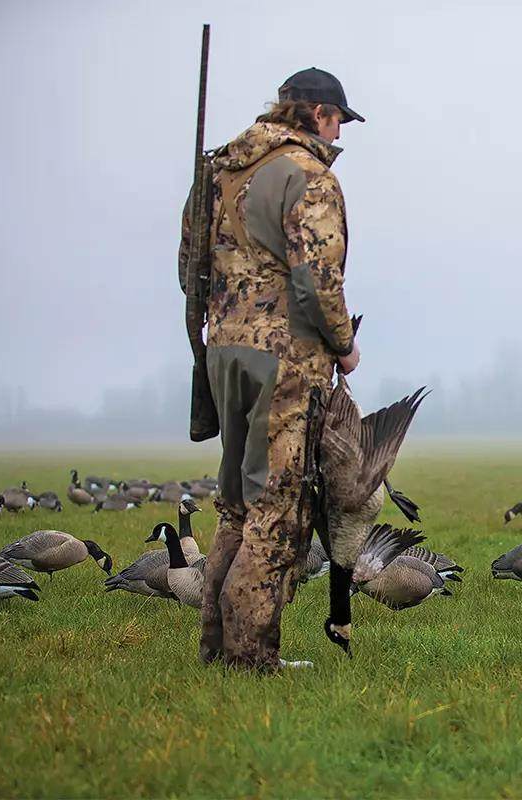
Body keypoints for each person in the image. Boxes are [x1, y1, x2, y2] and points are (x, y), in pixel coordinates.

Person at [177, 67, 364, 671]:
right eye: (338, 120)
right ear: (317, 115)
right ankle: (252, 658)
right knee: (277, 507)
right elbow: (316, 278)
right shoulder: (308, 174)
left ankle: (216, 647)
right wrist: (343, 346)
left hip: (223, 352)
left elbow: (190, 265)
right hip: (284, 359)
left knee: (235, 502)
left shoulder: (221, 169)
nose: (339, 134)